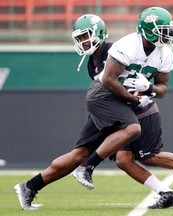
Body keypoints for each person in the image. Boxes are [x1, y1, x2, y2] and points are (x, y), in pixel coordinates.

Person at [72, 7, 173, 209]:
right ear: (147, 29)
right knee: (123, 159)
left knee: (149, 155)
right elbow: (108, 80)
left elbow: (163, 89)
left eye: (168, 29)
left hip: (139, 102)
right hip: (121, 98)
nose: (167, 34)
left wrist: (149, 88)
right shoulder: (128, 45)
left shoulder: (165, 54)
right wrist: (134, 98)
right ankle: (167, 191)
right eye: (162, 29)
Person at [13, 12, 154, 210]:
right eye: (79, 38)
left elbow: (134, 76)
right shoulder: (92, 62)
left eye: (85, 36)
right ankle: (44, 182)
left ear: (99, 33)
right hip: (111, 107)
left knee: (81, 154)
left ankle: (29, 186)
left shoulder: (114, 51)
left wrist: (144, 92)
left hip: (118, 105)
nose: (83, 42)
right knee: (86, 153)